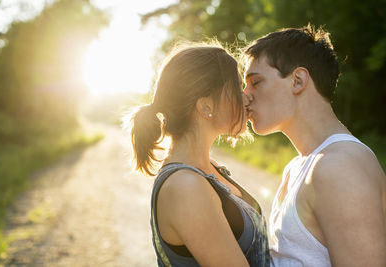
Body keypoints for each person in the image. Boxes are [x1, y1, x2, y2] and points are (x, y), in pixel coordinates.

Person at [243, 25, 386, 266]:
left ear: (298, 81)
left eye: (255, 83)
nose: (245, 96)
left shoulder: (340, 167)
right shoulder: (299, 166)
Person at [130, 43, 270, 266]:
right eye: (236, 87)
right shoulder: (186, 186)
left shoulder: (207, 169)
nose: (246, 97)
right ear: (205, 106)